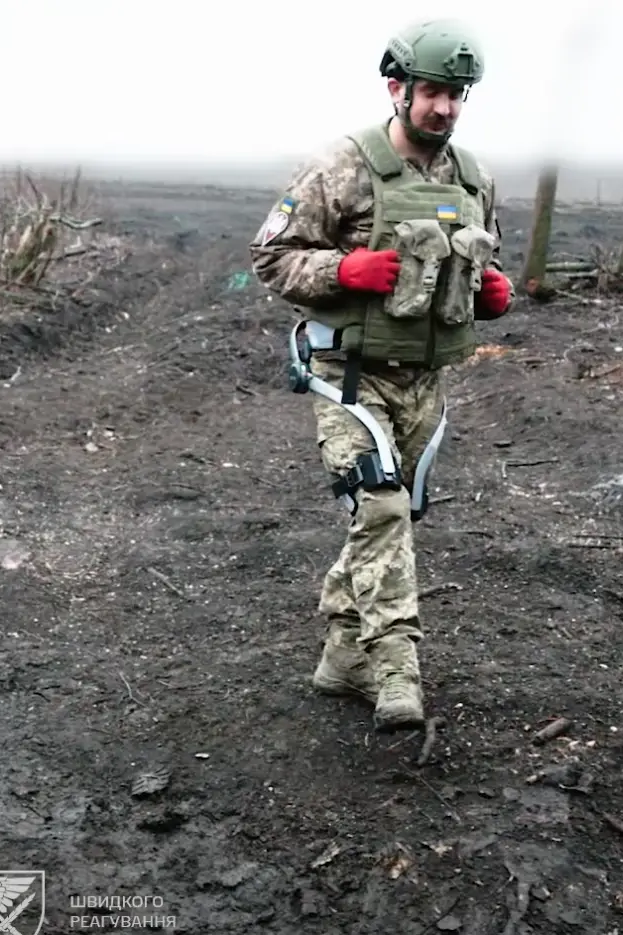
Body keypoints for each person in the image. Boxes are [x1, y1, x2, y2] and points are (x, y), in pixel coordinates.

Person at [249, 19, 513, 733]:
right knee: (384, 508)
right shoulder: (341, 166)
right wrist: (342, 269)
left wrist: (494, 294)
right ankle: (397, 670)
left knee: (383, 518)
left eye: (458, 95)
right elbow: (270, 257)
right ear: (397, 88)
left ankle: (340, 654)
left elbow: (479, 270)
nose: (446, 108)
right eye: (433, 92)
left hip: (425, 380)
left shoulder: (474, 178)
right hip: (348, 371)